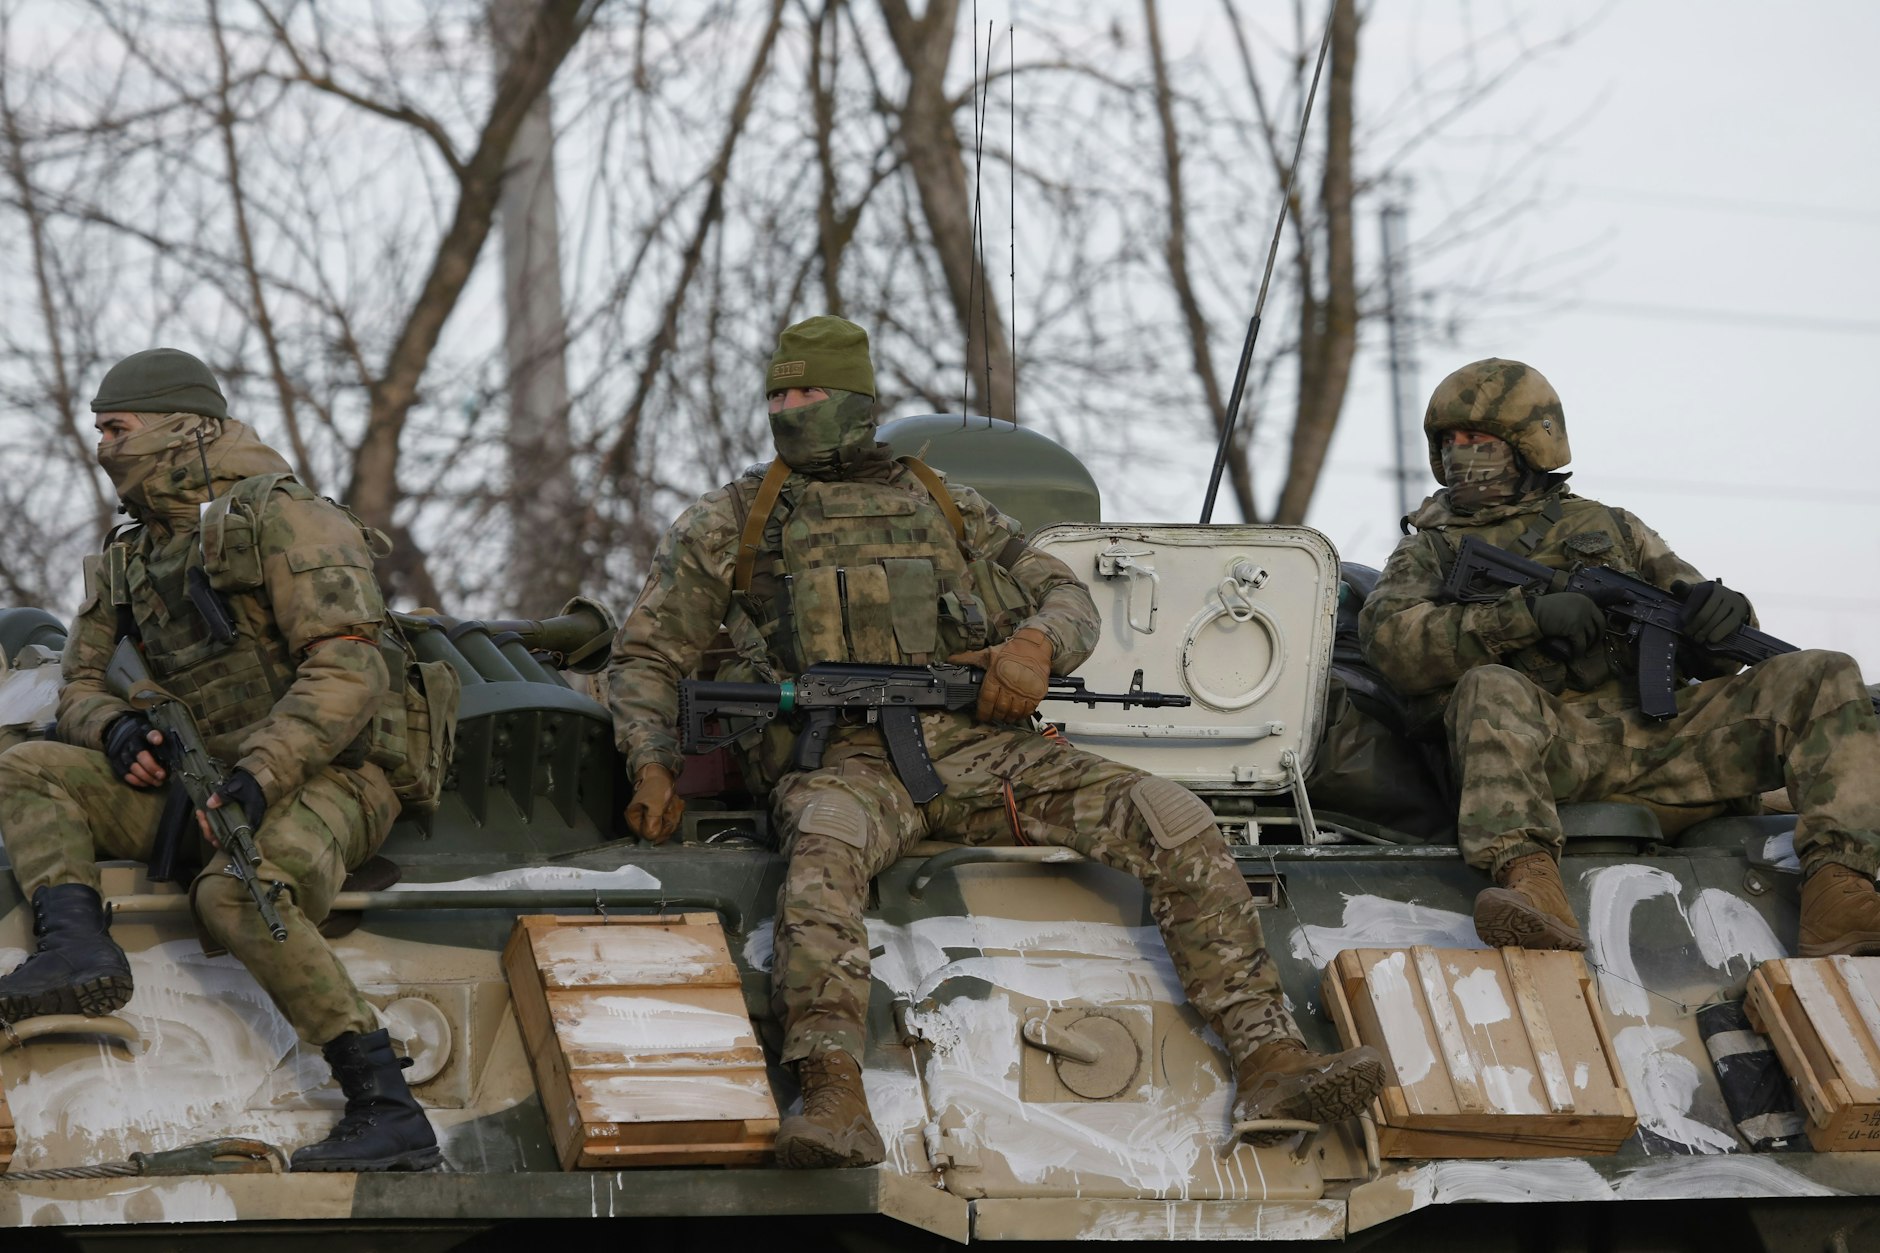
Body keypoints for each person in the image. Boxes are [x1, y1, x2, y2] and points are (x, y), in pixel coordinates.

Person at [607, 316, 1384, 1168]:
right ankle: (832, 1092)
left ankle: (1271, 1056)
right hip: (844, 762)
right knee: (822, 848)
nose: (791, 409)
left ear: (857, 400)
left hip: (979, 749)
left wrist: (1034, 648)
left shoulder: (945, 502)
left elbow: (1067, 595)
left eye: (809, 393)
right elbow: (650, 651)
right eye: (779, 395)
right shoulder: (733, 519)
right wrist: (650, 759)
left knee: (1166, 813)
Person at [0, 349, 442, 1172]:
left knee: (238, 895)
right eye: (98, 428)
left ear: (182, 425)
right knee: (27, 769)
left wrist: (257, 776)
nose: (103, 443)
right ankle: (77, 948)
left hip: (333, 773)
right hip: (198, 780)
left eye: (116, 425)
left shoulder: (291, 518)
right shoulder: (129, 555)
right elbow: (79, 682)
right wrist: (116, 733)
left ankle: (388, 1106)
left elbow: (350, 670)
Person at [1359, 358, 1880, 954]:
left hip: (1663, 741)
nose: (1460, 454)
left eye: (1478, 440)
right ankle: (1532, 888)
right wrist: (1524, 617)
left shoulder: (1612, 527)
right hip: (1553, 754)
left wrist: (1724, 613)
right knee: (1488, 685)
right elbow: (1393, 645)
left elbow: (1707, 630)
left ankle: (1841, 894)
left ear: (1531, 444)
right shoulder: (1429, 550)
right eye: (1449, 441)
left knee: (1825, 672)